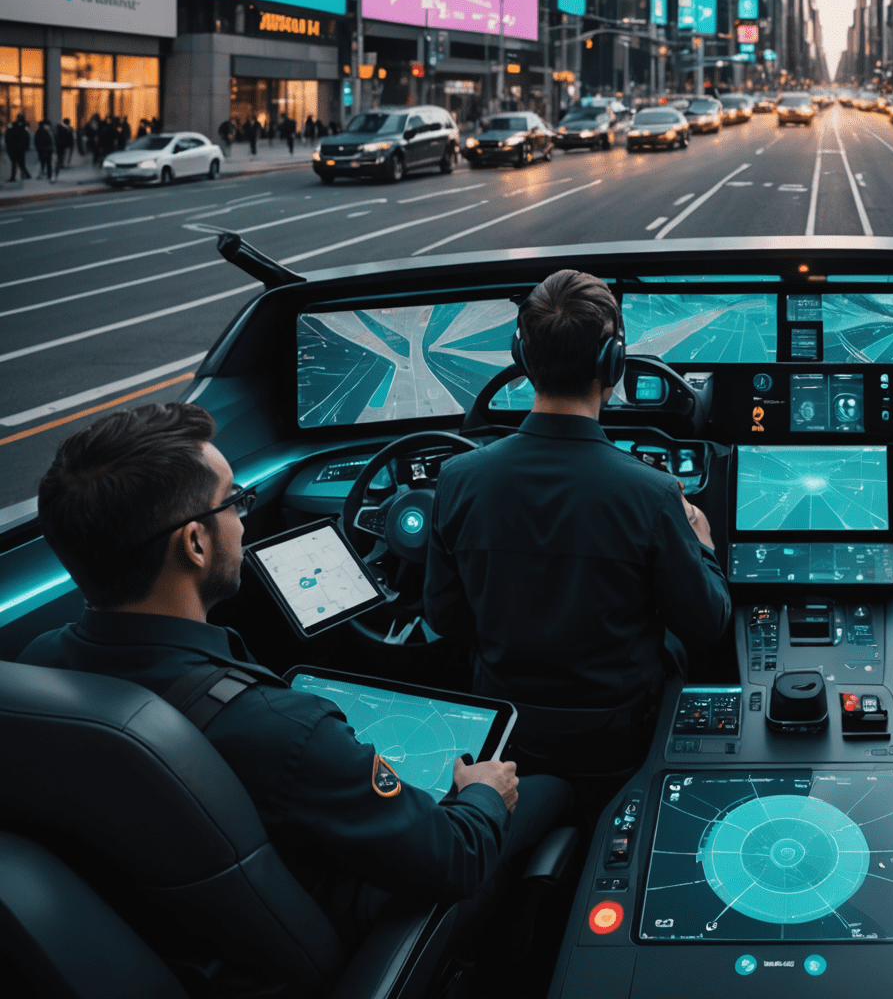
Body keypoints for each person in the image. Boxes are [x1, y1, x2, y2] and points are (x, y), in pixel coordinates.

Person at [21, 402, 571, 948]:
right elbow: (454, 857)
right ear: (194, 542)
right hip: (335, 943)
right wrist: (483, 794)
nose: (244, 518)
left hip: (174, 943)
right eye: (235, 502)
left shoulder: (36, 669)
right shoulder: (286, 729)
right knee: (552, 789)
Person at [427, 270, 732, 776]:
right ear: (612, 363)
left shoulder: (457, 479)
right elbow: (708, 625)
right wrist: (701, 542)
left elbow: (445, 620)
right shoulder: (653, 495)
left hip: (507, 735)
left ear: (522, 357)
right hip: (619, 738)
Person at [5, 114, 31, 180]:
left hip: (14, 148)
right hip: (20, 149)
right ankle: (26, 175)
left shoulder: (13, 128)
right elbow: (26, 139)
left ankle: (17, 176)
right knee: (20, 163)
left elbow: (8, 138)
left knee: (15, 163)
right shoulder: (24, 129)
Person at [33, 117, 55, 182]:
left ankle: (44, 174)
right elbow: (49, 141)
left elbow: (36, 141)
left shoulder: (40, 131)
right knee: (47, 163)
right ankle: (47, 174)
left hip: (43, 149)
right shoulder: (44, 132)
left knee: (44, 163)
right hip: (45, 149)